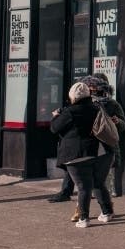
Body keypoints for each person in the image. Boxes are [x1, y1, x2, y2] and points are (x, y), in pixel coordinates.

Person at [50, 81, 116, 228]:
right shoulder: (98, 108)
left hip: (77, 154)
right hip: (102, 152)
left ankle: (84, 219)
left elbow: (54, 128)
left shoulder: (69, 111)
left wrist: (55, 116)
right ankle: (107, 213)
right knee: (98, 183)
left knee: (83, 187)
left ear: (73, 96)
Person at [86, 74, 125, 197]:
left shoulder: (112, 104)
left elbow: (124, 125)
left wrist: (117, 122)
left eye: (97, 86)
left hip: (107, 144)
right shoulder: (86, 102)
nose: (94, 89)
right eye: (92, 86)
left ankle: (106, 195)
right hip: (89, 143)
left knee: (107, 171)